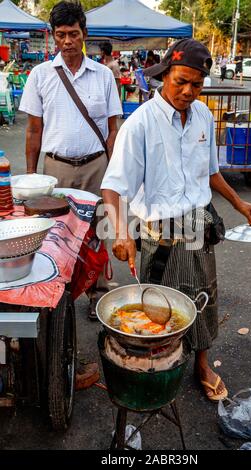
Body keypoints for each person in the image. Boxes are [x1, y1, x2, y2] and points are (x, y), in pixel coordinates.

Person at [100, 38, 251, 402]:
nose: (188, 91)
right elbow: (112, 187)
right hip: (161, 235)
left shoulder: (203, 115)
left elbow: (211, 172)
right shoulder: (141, 123)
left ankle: (201, 364)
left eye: (196, 84)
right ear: (164, 76)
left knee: (204, 297)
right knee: (159, 309)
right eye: (180, 82)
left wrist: (239, 204)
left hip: (200, 223)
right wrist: (121, 232)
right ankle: (157, 367)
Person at [19, 1, 122, 321]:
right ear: (53, 36)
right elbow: (34, 131)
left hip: (95, 168)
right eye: (61, 34)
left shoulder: (103, 75)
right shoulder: (40, 75)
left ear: (84, 34)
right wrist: (32, 178)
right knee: (55, 236)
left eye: (73, 34)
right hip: (55, 171)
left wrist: (113, 174)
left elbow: (112, 130)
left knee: (95, 233)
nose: (67, 41)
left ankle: (95, 293)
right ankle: (59, 293)